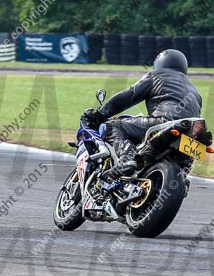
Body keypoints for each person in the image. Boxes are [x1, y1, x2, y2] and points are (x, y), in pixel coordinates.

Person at [81, 49, 202, 181]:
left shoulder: (156, 75)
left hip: (165, 122)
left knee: (111, 126)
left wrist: (101, 113)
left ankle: (126, 159)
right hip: (191, 132)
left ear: (160, 63)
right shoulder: (195, 91)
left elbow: (130, 95)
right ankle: (181, 179)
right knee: (182, 160)